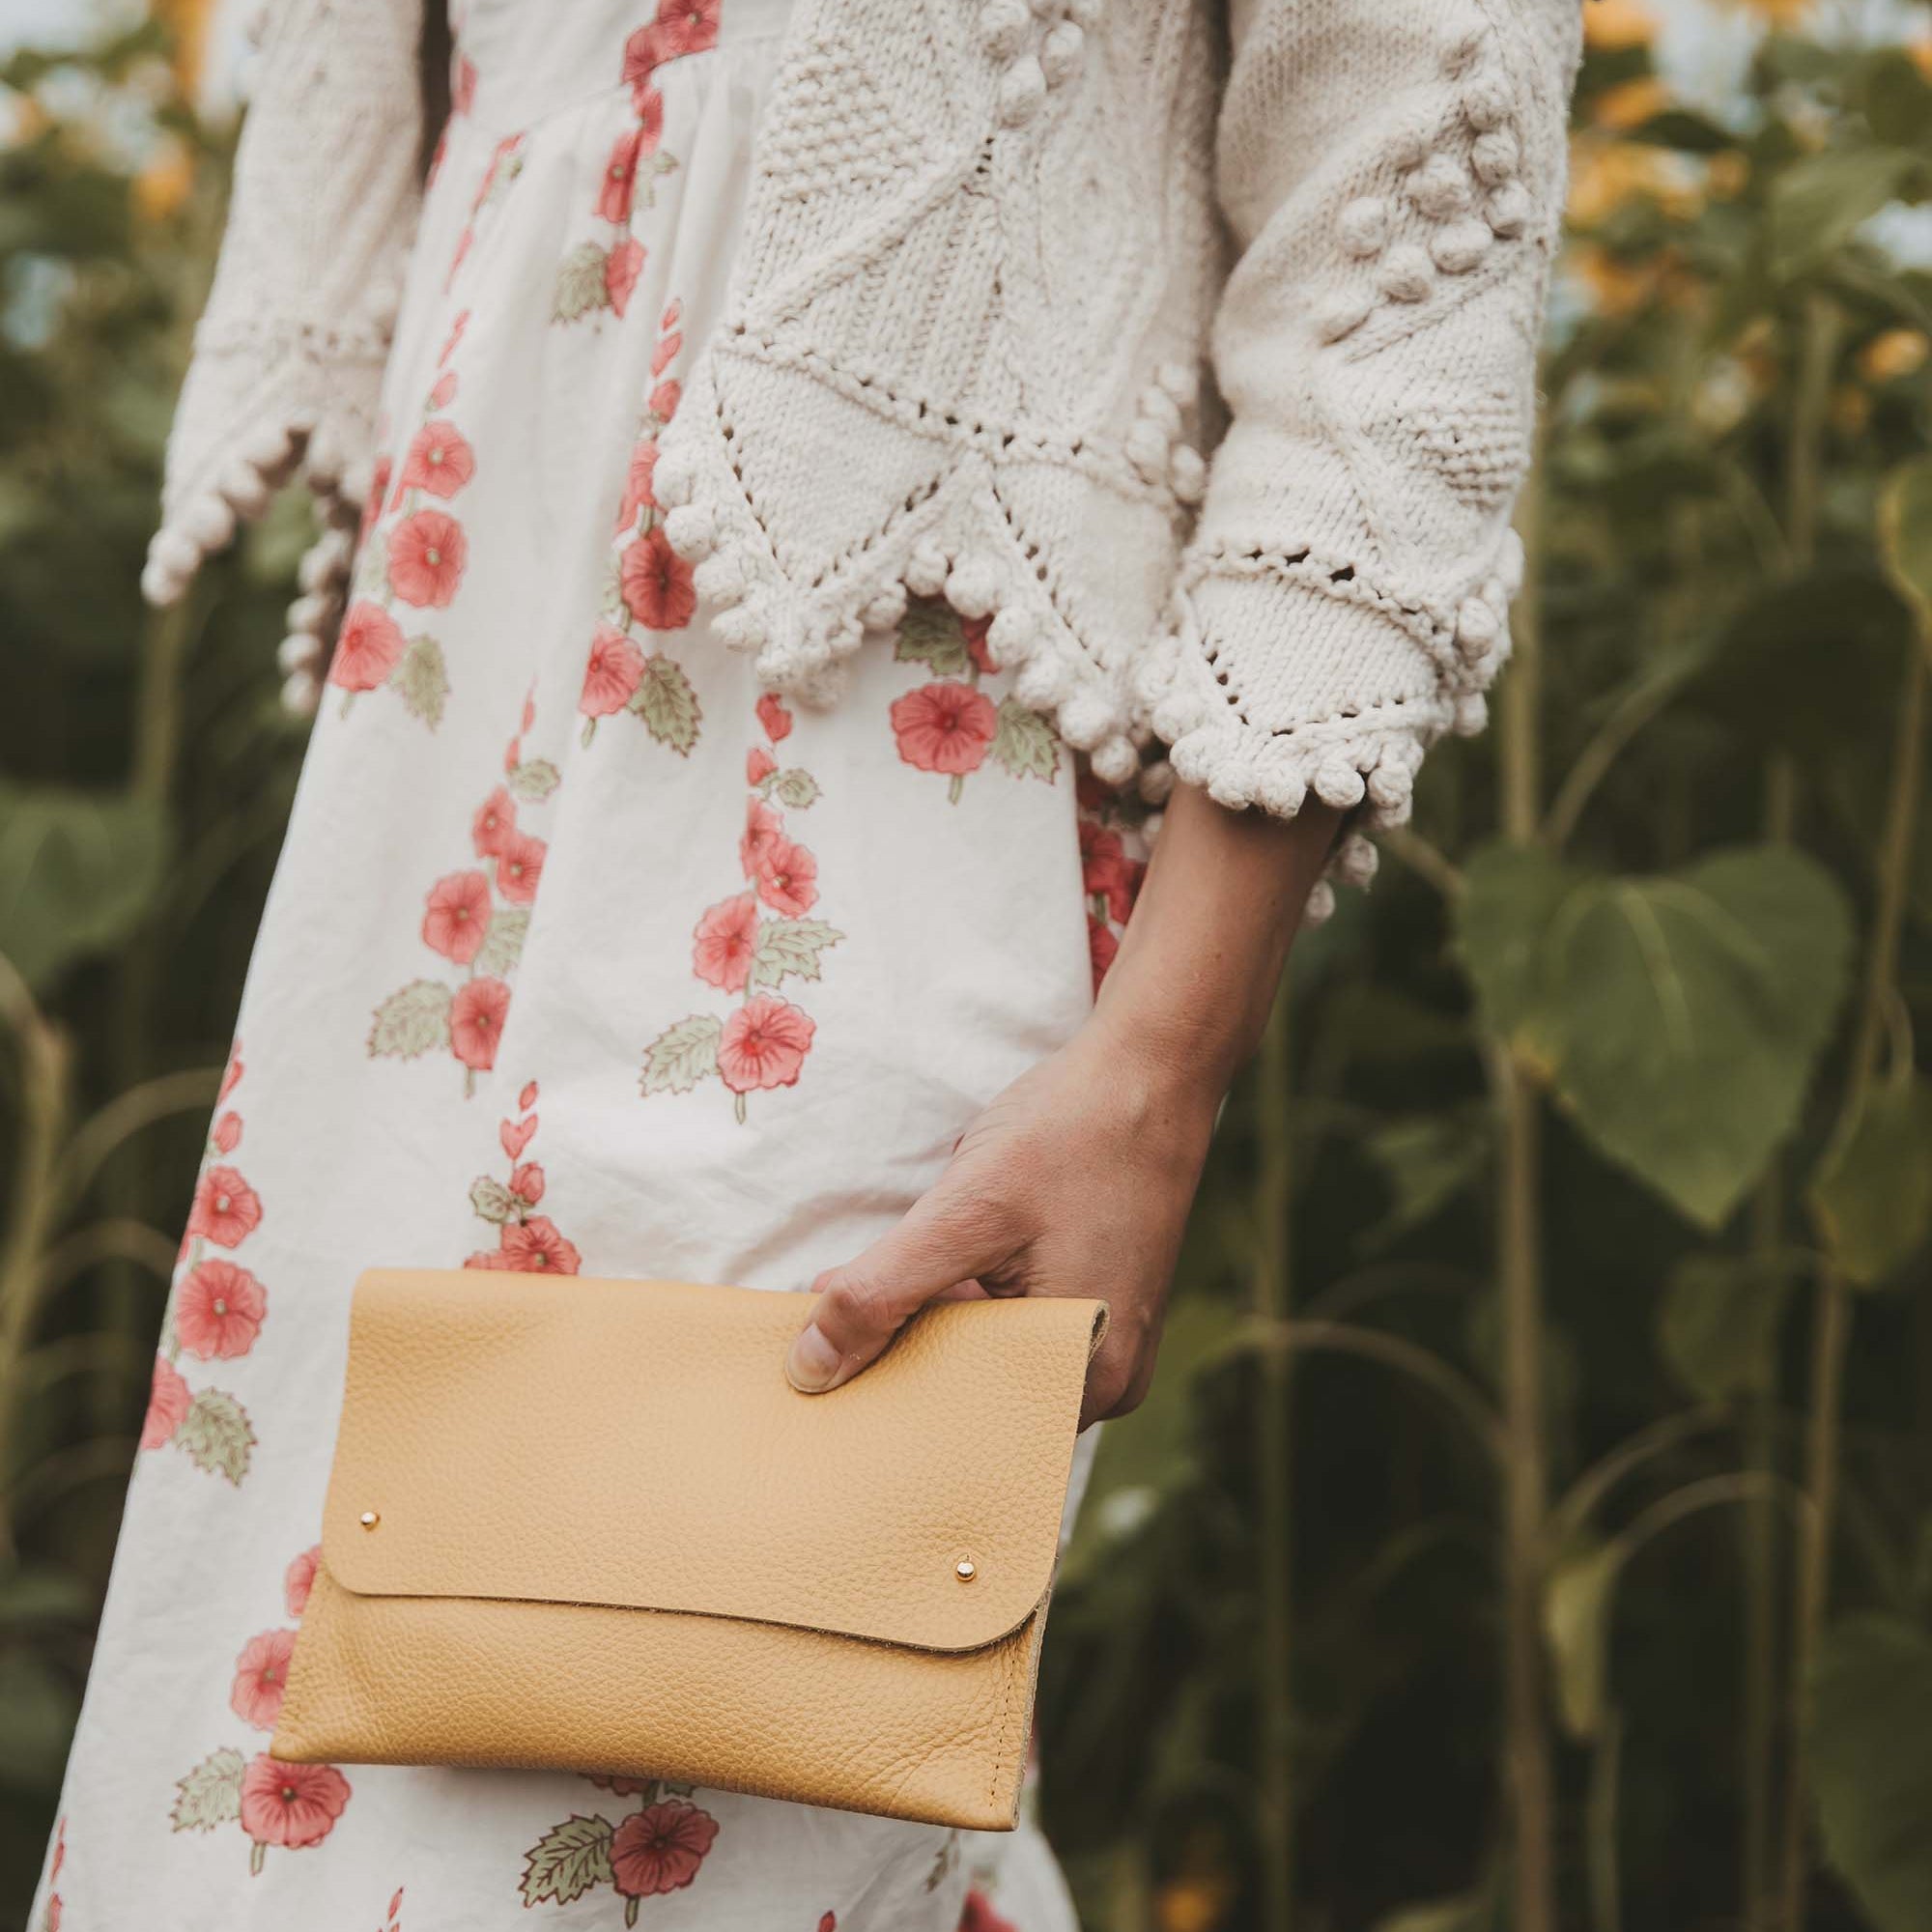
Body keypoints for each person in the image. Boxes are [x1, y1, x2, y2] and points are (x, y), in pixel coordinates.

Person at [31, 0, 1578, 1925]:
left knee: (683, 1749)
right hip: (445, 764)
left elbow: (1400, 242)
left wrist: (1156, 1069)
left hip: (836, 799)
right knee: (275, 1800)